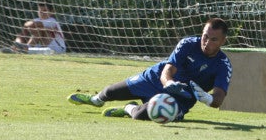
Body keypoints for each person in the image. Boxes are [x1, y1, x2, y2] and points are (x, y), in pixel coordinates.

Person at [67, 17, 232, 121]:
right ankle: (95, 100)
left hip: (180, 99)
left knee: (141, 115)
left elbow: (218, 100)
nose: (206, 42)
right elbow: (167, 70)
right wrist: (168, 83)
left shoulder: (223, 65)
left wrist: (207, 99)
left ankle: (128, 108)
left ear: (223, 41)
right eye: (205, 36)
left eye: (213, 39)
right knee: (110, 92)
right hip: (155, 79)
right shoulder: (187, 44)